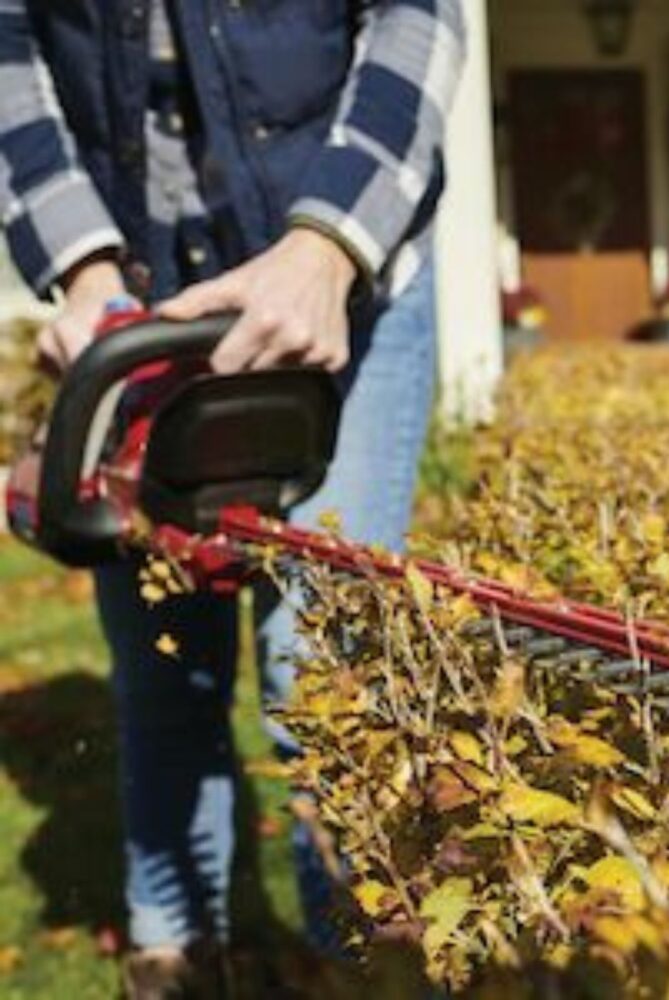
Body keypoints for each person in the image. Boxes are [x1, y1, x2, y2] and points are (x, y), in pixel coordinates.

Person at [0, 0, 466, 994]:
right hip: (144, 292)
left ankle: (357, 961)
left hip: (348, 277)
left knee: (322, 674)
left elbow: (414, 23)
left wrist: (325, 249)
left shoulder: (338, 257)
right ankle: (174, 948)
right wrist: (83, 271)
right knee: (169, 664)